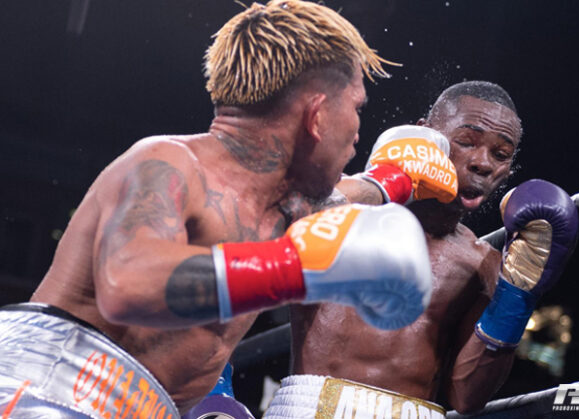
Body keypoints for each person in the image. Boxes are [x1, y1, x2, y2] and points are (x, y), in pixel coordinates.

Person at [0, 1, 437, 417]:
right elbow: (127, 282)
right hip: (45, 383)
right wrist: (294, 267)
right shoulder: (166, 163)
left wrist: (396, 181)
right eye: (358, 107)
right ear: (317, 116)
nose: (360, 129)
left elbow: (344, 196)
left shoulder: (288, 207)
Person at [264, 81, 579, 418]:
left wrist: (518, 294)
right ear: (426, 137)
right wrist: (386, 183)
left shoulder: (482, 263)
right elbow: (265, 221)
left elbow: (466, 397)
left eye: (500, 154)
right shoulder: (343, 206)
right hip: (314, 405)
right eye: (466, 142)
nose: (482, 163)